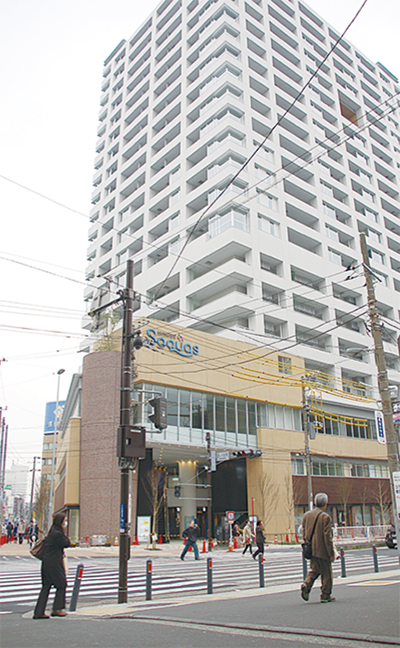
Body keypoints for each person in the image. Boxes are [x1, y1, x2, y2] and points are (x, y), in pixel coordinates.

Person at [33, 512, 70, 619]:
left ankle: (39, 612)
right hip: (54, 563)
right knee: (61, 584)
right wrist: (64, 532)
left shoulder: (52, 532)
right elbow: (66, 543)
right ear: (60, 522)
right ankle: (57, 609)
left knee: (46, 586)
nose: (66, 523)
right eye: (64, 521)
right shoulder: (58, 534)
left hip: (46, 563)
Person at [301, 492, 336, 604]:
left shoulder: (306, 516)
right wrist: (331, 553)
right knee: (327, 573)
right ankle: (325, 594)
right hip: (322, 550)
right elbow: (327, 537)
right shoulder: (325, 517)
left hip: (311, 549)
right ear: (325, 503)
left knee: (315, 570)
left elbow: (304, 533)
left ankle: (306, 584)